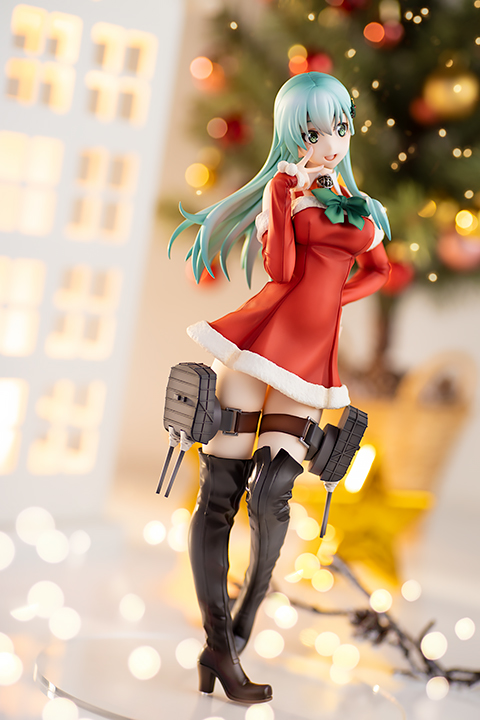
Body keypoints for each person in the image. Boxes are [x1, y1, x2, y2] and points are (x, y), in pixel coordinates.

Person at [169, 71, 391, 704]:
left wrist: (333, 300)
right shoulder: (287, 192)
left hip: (310, 361)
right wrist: (279, 201)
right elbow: (283, 270)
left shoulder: (367, 209)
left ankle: (243, 621)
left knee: (272, 494)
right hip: (260, 342)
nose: (331, 144)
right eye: (315, 132)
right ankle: (217, 643)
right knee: (220, 489)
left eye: (340, 128)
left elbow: (378, 272)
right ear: (292, 136)